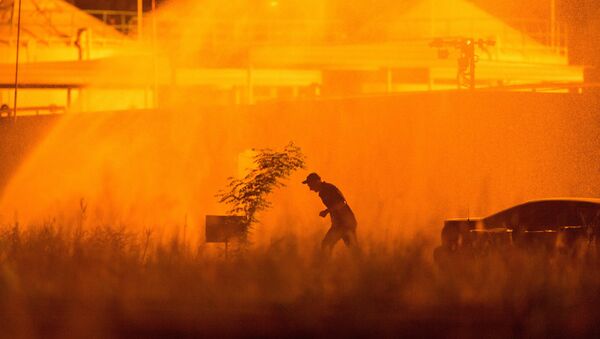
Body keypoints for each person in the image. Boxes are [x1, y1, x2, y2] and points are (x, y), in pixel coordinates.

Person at [302, 172, 360, 256]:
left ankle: (326, 266)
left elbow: (341, 203)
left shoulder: (328, 188)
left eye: (310, 184)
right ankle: (328, 266)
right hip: (339, 224)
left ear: (316, 181)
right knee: (330, 245)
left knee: (328, 245)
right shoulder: (322, 192)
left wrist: (326, 211)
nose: (310, 188)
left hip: (346, 223)